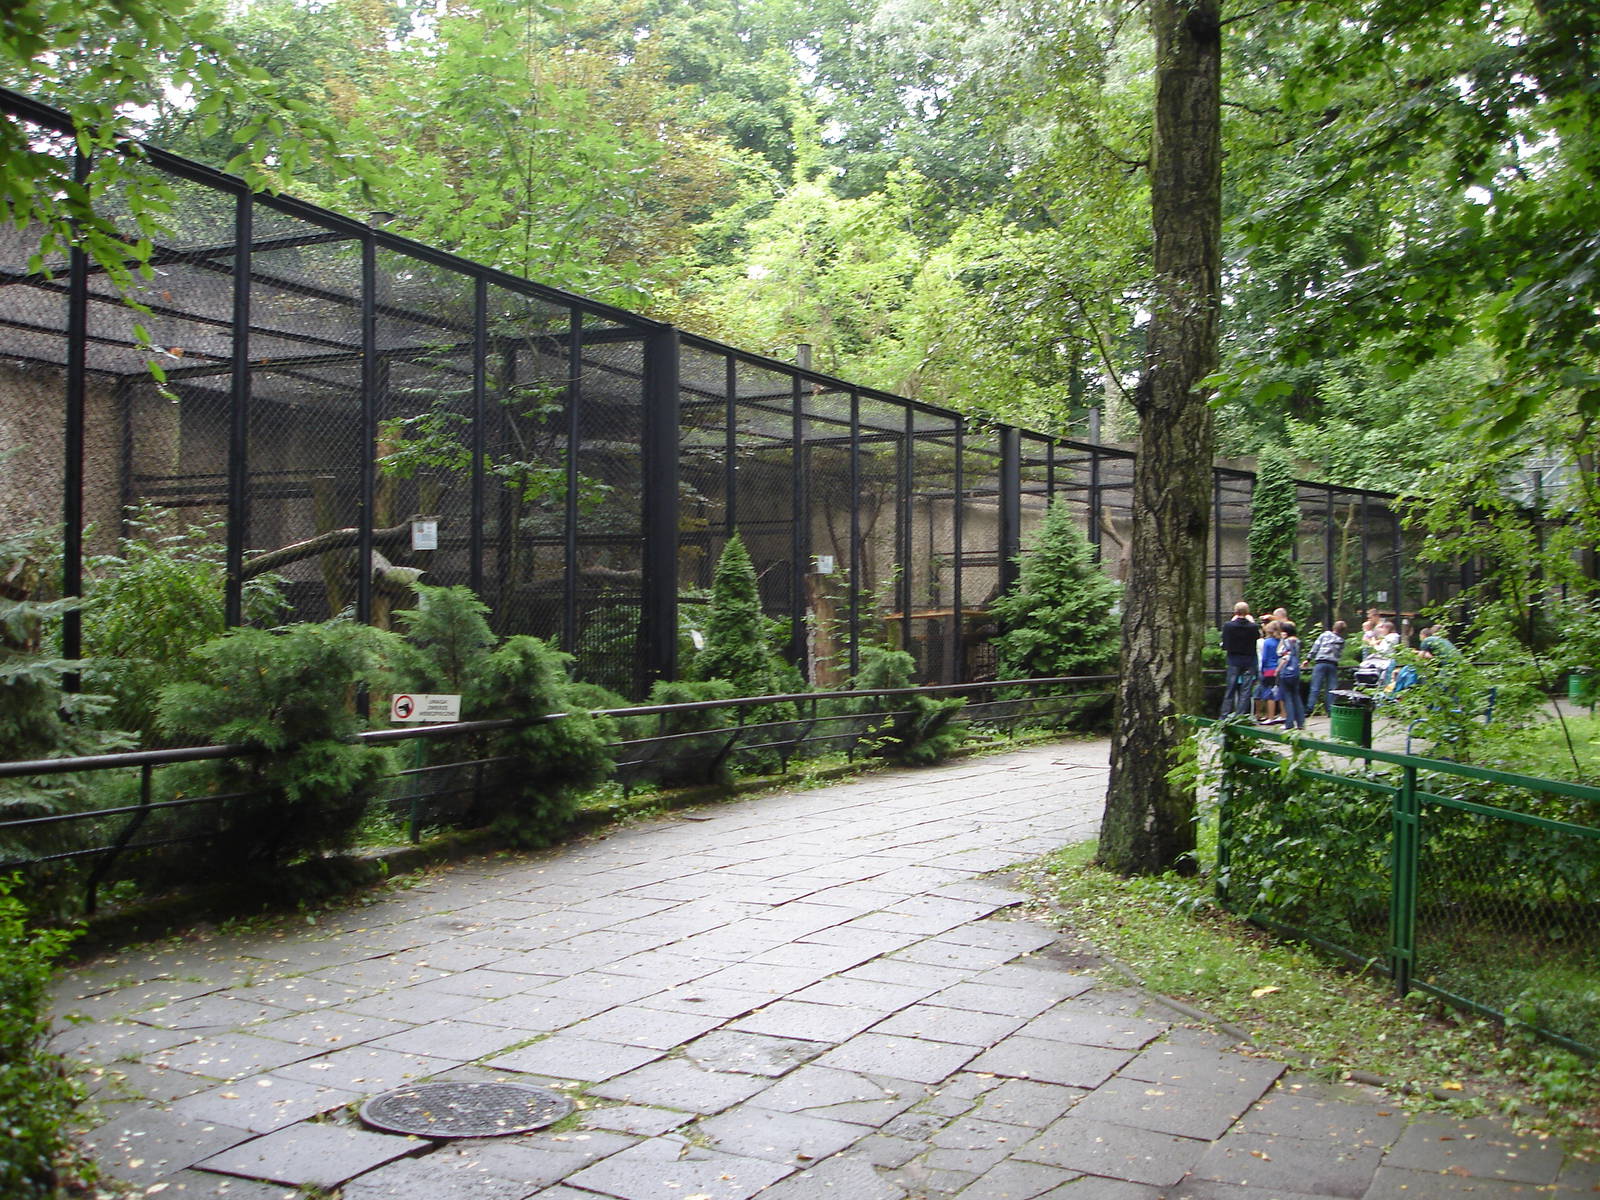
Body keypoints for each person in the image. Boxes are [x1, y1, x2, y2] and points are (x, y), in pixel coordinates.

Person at [1219, 601, 1261, 717]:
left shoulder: (1228, 626)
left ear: (1235, 612)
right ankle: (1241, 715)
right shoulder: (1253, 627)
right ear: (1247, 612)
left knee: (1230, 689)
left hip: (1234, 660)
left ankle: (1224, 715)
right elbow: (1257, 636)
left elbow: (1225, 644)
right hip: (1249, 660)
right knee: (1246, 690)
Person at [1308, 620, 1347, 716]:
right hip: (1332, 664)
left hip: (1320, 662)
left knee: (1315, 687)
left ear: (1334, 627)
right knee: (1331, 688)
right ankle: (1330, 710)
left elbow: (1316, 646)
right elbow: (1339, 654)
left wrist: (1308, 658)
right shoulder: (1341, 641)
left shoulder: (1324, 635)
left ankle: (1309, 708)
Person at [1277, 621, 1306, 729]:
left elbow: (1281, 654)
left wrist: (1278, 670)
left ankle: (1289, 723)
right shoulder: (1297, 641)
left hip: (1286, 672)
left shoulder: (1286, 642)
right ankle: (1301, 723)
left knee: (1287, 697)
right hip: (1296, 672)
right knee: (1296, 696)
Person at [1256, 619, 1282, 724]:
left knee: (1269, 693)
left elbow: (1265, 658)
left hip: (1269, 669)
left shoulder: (1267, 642)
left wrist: (1262, 669)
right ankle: (1283, 715)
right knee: (1280, 691)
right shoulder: (1281, 641)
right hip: (1279, 668)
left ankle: (1270, 716)